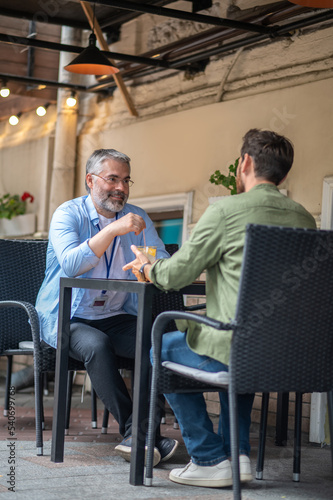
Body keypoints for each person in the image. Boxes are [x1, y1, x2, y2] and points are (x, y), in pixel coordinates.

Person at [123, 129, 317, 488]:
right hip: (289, 353)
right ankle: (237, 455)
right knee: (242, 345)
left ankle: (209, 456)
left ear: (244, 163)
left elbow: (178, 273)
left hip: (238, 347)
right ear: (283, 175)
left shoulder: (226, 211)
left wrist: (146, 268)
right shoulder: (304, 218)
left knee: (160, 346)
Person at [35, 148, 178, 466]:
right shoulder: (68, 214)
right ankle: (140, 434)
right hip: (68, 317)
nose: (122, 188)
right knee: (96, 345)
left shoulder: (138, 217)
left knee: (153, 340)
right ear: (91, 180)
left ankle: (140, 437)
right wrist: (113, 229)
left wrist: (149, 262)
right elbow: (72, 264)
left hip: (116, 315)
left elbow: (162, 260)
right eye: (113, 178)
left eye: (126, 180)